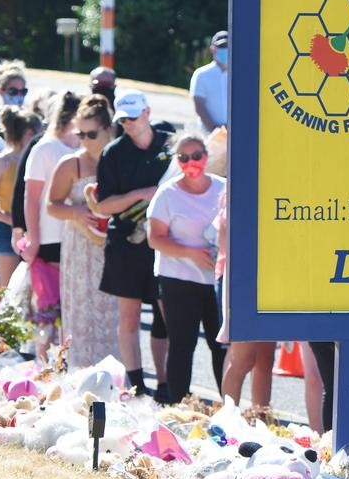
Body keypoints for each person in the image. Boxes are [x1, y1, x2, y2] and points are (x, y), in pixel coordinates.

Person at [95, 90, 172, 397]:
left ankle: (168, 384)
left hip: (166, 242)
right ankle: (137, 385)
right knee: (129, 317)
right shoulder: (113, 152)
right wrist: (142, 194)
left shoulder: (170, 142)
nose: (128, 122)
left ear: (148, 112)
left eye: (133, 116)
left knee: (167, 316)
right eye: (123, 118)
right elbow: (104, 205)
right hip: (126, 242)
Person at [147, 131, 225, 403]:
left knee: (221, 347)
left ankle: (230, 407)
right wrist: (191, 253)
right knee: (182, 344)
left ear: (207, 156)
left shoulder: (222, 188)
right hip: (178, 278)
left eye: (196, 156)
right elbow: (155, 238)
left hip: (216, 281)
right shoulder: (167, 194)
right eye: (183, 157)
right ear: (176, 160)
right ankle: (178, 404)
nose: (191, 162)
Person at [47, 94, 120, 368]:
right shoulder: (70, 164)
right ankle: (79, 371)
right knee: (81, 311)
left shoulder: (119, 159)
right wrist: (76, 211)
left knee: (114, 314)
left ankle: (116, 377)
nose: (85, 140)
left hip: (113, 246)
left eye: (91, 134)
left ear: (108, 130)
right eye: (80, 134)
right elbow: (51, 205)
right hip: (79, 247)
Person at [22, 92, 82, 357]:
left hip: (80, 236)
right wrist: (33, 238)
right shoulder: (45, 148)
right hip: (49, 236)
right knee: (48, 307)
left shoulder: (84, 148)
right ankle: (44, 363)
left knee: (74, 307)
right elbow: (31, 197)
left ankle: (68, 361)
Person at [215, 188, 274, 407]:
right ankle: (228, 422)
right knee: (243, 357)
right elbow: (227, 243)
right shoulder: (235, 189)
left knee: (265, 359)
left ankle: (261, 417)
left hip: (271, 278)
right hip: (242, 278)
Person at [0, 106, 39, 287]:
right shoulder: (2, 162)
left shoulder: (38, 159)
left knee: (36, 287)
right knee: (9, 289)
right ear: (29, 133)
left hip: (36, 227)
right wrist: (11, 219)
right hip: (6, 229)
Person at [190, 31, 228, 133]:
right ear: (212, 49)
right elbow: (199, 105)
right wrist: (214, 129)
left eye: (228, 46)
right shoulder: (201, 74)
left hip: (235, 135)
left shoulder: (240, 75)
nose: (225, 50)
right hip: (208, 135)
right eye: (222, 47)